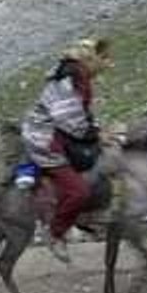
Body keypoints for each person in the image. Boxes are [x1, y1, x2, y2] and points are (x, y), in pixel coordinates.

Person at [20, 38, 113, 263]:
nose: (109, 64)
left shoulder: (77, 77)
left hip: (56, 131)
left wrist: (96, 130)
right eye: (104, 59)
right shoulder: (70, 80)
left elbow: (81, 113)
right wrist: (95, 134)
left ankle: (86, 215)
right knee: (78, 191)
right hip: (45, 138)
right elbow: (68, 119)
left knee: (100, 157)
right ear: (90, 60)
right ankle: (55, 233)